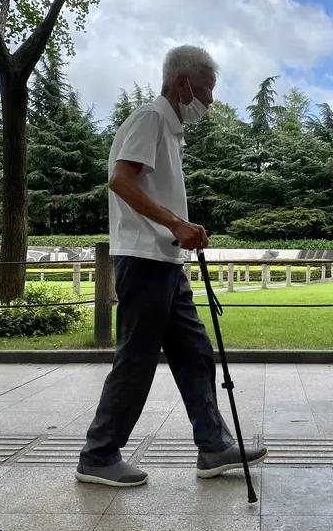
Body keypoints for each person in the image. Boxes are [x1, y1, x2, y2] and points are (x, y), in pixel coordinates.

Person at [76, 45, 267, 487]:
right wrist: (176, 224)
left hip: (163, 260)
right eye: (207, 89)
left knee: (195, 352)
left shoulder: (169, 128)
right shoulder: (150, 119)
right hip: (144, 260)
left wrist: (181, 230)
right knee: (137, 361)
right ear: (183, 83)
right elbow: (120, 180)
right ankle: (99, 455)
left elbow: (145, 188)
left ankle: (214, 446)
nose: (210, 101)